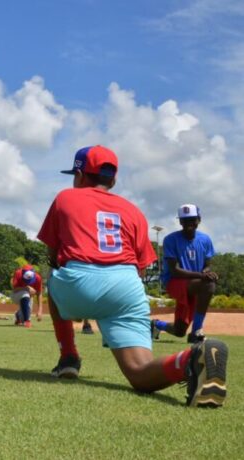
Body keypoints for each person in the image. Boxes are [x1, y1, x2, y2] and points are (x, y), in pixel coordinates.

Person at [38, 145, 227, 407]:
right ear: (113, 180)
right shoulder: (133, 210)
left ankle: (68, 357)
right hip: (126, 286)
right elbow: (142, 265)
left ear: (79, 176)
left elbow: (53, 253)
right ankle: (190, 358)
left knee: (54, 277)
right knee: (140, 373)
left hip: (79, 281)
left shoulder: (66, 198)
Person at [152, 204, 217, 343]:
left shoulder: (205, 239)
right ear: (180, 221)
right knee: (209, 285)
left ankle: (156, 325)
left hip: (194, 284)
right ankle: (196, 332)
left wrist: (207, 272)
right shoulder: (170, 239)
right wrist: (202, 276)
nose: (189, 223)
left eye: (192, 219)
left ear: (199, 220)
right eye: (185, 220)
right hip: (174, 282)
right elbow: (174, 271)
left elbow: (207, 265)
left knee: (179, 331)